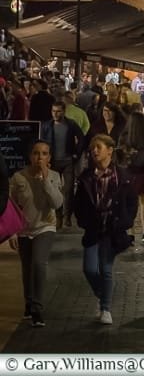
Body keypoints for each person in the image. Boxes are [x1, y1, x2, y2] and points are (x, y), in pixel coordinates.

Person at [73, 134, 138, 325]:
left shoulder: (122, 176)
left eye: (98, 147)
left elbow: (131, 201)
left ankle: (105, 309)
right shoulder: (86, 176)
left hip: (113, 229)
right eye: (93, 148)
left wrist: (126, 220)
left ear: (110, 150)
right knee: (90, 269)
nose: (94, 151)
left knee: (106, 269)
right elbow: (79, 202)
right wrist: (82, 220)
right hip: (93, 228)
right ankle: (103, 297)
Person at [8, 140, 63, 327]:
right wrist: (13, 233)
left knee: (39, 263)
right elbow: (12, 206)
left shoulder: (55, 176)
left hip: (45, 227)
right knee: (27, 268)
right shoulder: (18, 177)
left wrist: (45, 179)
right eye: (36, 153)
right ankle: (29, 302)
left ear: (49, 157)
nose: (40, 157)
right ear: (30, 155)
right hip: (24, 229)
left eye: (44, 153)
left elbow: (57, 203)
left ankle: (37, 309)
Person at [40, 100, 84, 227]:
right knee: (55, 190)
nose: (55, 114)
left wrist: (77, 153)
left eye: (58, 111)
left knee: (68, 190)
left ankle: (67, 216)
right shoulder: (47, 125)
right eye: (53, 111)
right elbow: (41, 141)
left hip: (68, 161)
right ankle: (58, 216)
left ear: (64, 112)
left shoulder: (71, 124)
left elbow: (82, 138)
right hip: (53, 162)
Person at [116, 111, 144, 244]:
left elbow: (119, 157)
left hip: (127, 172)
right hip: (143, 172)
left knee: (129, 203)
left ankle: (131, 234)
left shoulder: (124, 137)